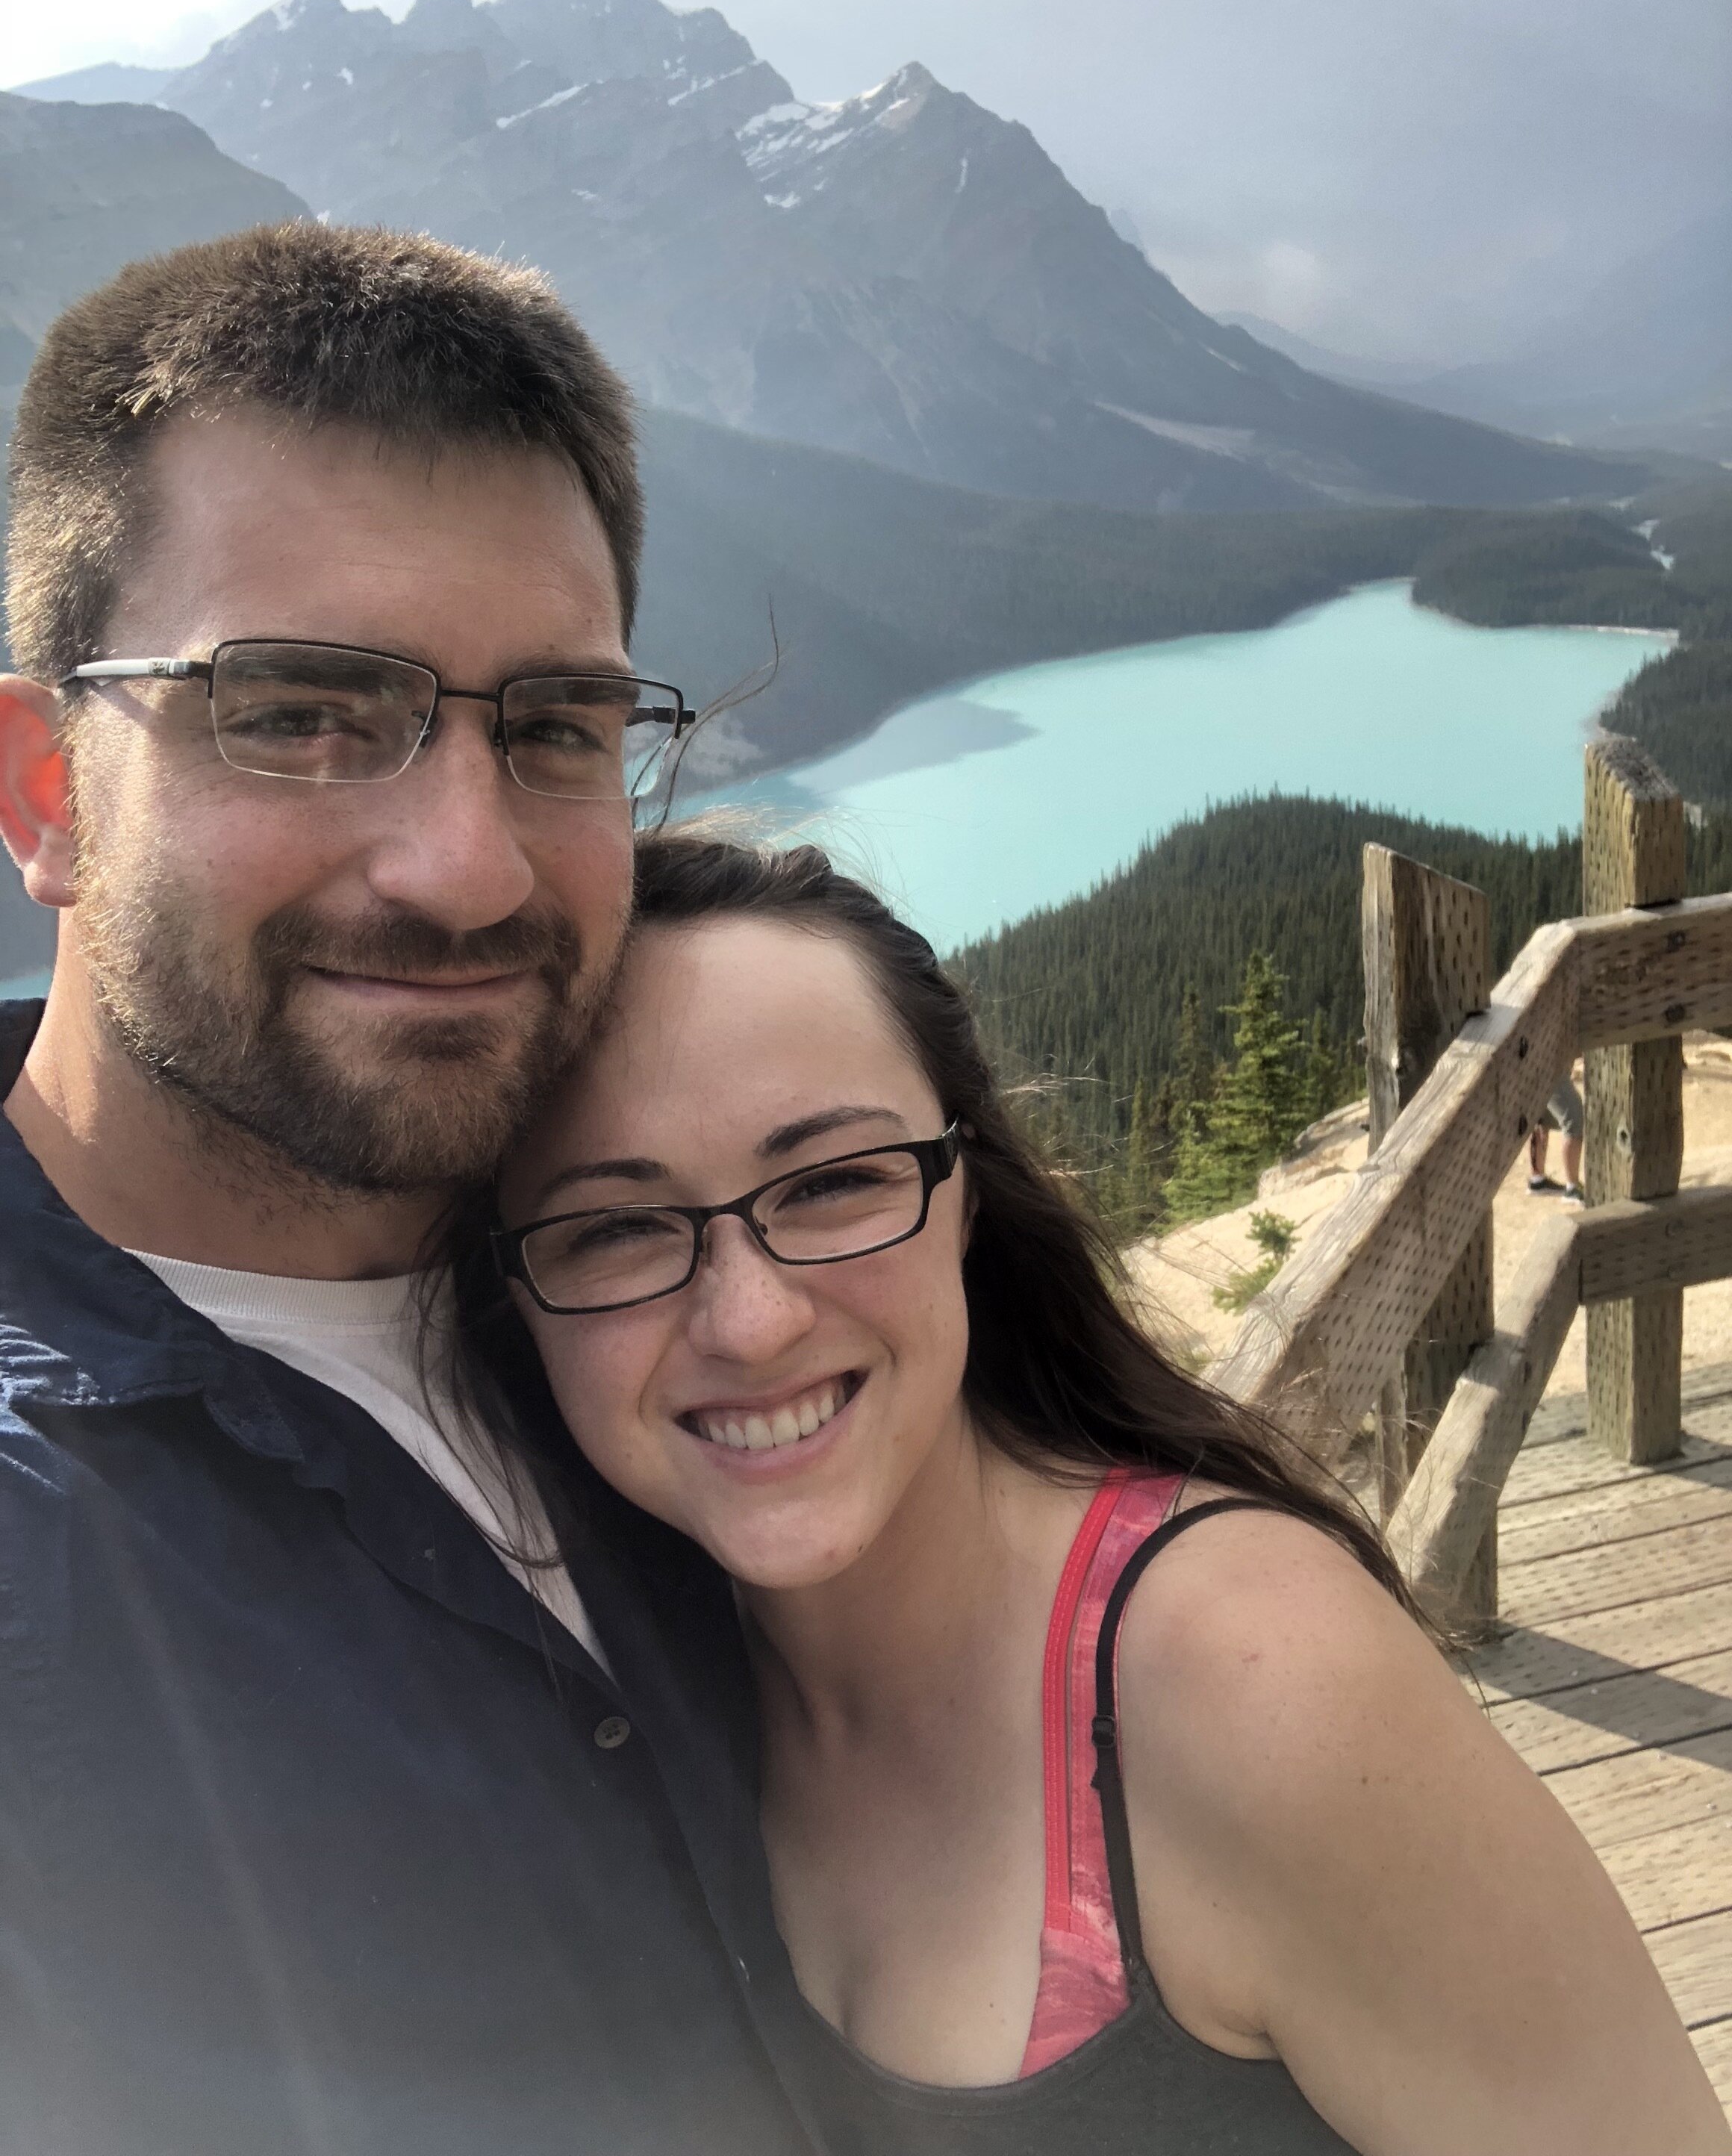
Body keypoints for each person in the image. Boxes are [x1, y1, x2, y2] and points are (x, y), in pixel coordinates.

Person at [491, 829, 1728, 2156]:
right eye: (615, 1226)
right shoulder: (628, 1691)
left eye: (837, 1180)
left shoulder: (1255, 1687)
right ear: (513, 1294)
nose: (748, 1319)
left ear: (967, 1193)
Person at [0, 227, 814, 2155]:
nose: (466, 870)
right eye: (293, 712)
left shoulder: (711, 1293)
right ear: (43, 793)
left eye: (554, 730)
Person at [1528, 1073, 1586, 1202]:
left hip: (1536, 1068)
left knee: (1541, 1118)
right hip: (1549, 1066)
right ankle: (1573, 1188)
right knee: (1574, 1118)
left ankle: (1537, 1180)